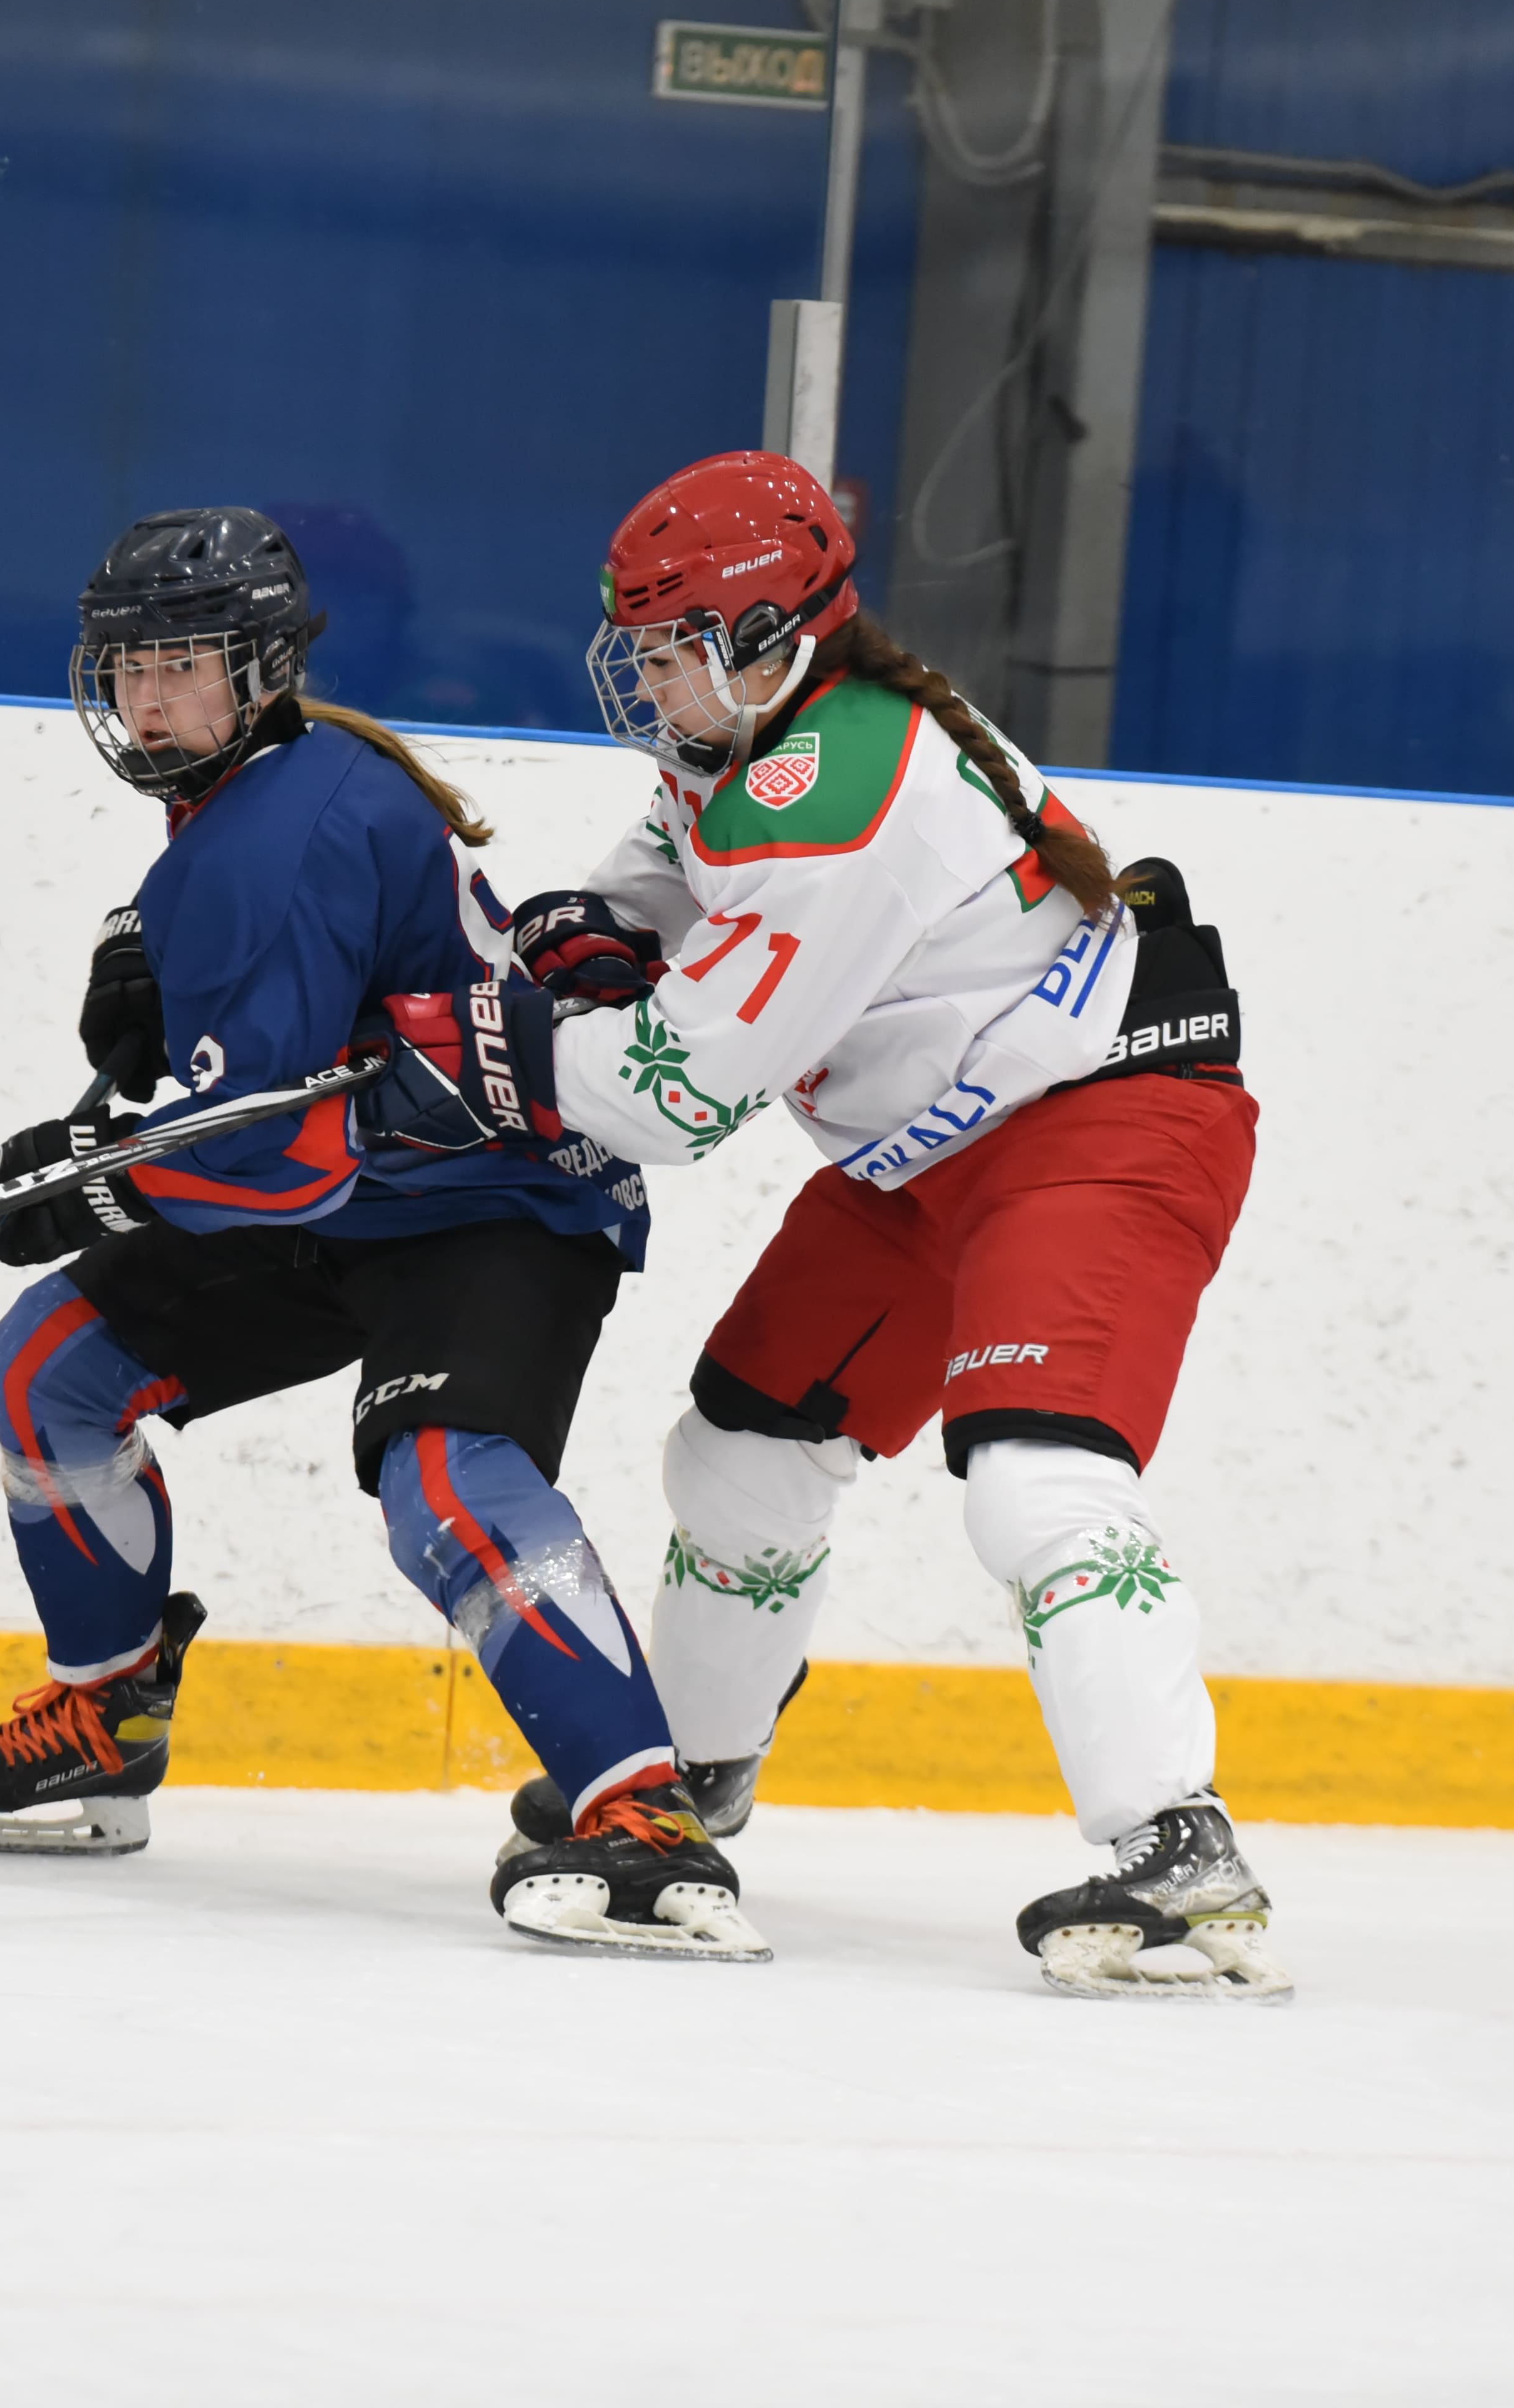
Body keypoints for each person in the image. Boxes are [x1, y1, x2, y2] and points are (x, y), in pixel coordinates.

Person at [358, 452, 1283, 2001]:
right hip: (933, 1148)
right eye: (640, 650)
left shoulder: (846, 792)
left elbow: (675, 1092)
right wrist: (600, 927)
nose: (653, 684)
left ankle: (1177, 1848)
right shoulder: (756, 728)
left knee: (1035, 1476)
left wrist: (501, 1052)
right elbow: (670, 865)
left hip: (1104, 1120)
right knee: (737, 1454)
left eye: (677, 649)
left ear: (772, 634)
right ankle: (694, 1779)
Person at [0, 506, 763, 1964]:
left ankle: (644, 1818)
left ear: (259, 671)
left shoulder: (276, 835)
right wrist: (161, 996)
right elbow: (288, 1079)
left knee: (446, 1490)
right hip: (357, 1184)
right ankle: (108, 1717)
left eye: (181, 666)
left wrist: (98, 1182)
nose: (146, 700)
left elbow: (269, 1159)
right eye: (127, 667)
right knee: (49, 1370)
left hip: (496, 1197)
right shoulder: (254, 789)